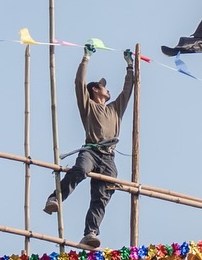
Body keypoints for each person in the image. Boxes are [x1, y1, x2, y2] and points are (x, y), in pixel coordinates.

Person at [44, 45, 136, 248]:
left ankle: (90, 232)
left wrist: (130, 66)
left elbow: (128, 90)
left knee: (104, 192)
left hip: (108, 156)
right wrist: (86, 58)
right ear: (95, 90)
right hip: (91, 151)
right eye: (103, 86)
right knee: (80, 170)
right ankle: (55, 198)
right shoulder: (88, 105)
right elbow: (79, 83)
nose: (107, 89)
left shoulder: (115, 109)